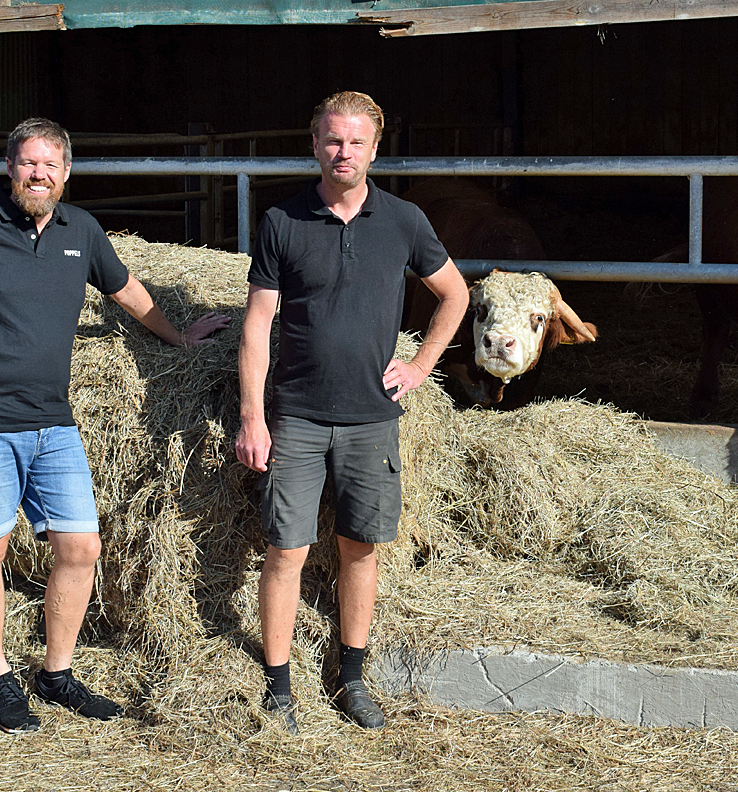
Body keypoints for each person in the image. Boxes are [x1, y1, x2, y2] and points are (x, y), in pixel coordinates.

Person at [0, 118, 230, 734]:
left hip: (52, 420)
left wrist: (180, 338)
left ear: (66, 173)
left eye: (50, 165)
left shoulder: (80, 230)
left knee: (81, 546)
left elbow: (126, 290)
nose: (39, 174)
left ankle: (55, 674)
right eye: (28, 163)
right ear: (10, 169)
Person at [235, 91, 468, 733]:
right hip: (298, 415)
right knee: (286, 548)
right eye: (333, 140)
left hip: (373, 416)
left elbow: (454, 294)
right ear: (315, 145)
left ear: (374, 149)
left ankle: (352, 678)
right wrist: (253, 415)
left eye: (356, 142)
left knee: (360, 548)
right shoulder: (282, 221)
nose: (344, 152)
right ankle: (278, 685)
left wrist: (420, 365)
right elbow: (257, 323)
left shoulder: (404, 221)